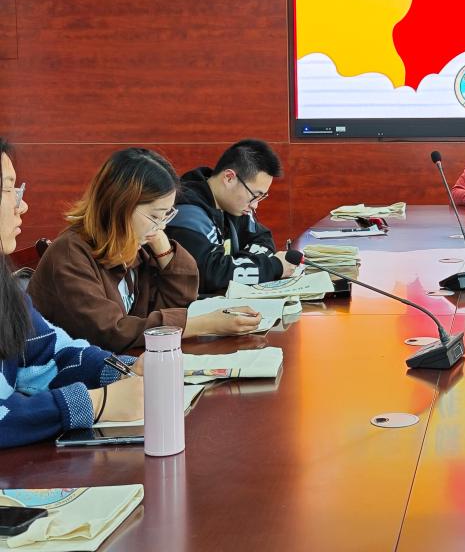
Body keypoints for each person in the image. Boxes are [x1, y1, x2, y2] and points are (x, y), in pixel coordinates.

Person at [29, 148, 259, 353]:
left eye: (166, 215)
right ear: (119, 206)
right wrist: (205, 324)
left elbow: (177, 301)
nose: (161, 226)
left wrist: (161, 244)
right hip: (73, 377)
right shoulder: (70, 253)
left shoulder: (133, 245)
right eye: (155, 216)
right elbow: (110, 332)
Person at [0, 139, 146, 448]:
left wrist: (121, 370)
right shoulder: (71, 251)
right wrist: (97, 403)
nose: (21, 205)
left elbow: (49, 352)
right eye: (9, 189)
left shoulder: (4, 288)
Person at [165, 139, 296, 293]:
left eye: (261, 197)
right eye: (255, 195)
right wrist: (273, 267)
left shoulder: (234, 206)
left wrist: (238, 265)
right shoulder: (186, 213)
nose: (255, 205)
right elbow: (209, 275)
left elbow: (263, 238)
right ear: (229, 178)